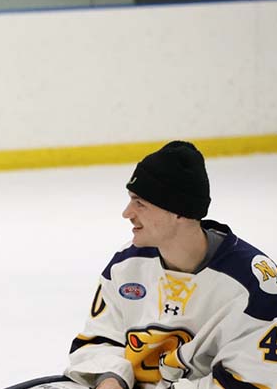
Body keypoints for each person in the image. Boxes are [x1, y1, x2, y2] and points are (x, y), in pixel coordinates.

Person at [65, 141, 277, 389]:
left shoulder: (254, 285)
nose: (127, 212)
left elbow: (253, 381)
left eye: (140, 203)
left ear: (178, 211)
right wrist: (110, 379)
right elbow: (97, 340)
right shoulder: (126, 264)